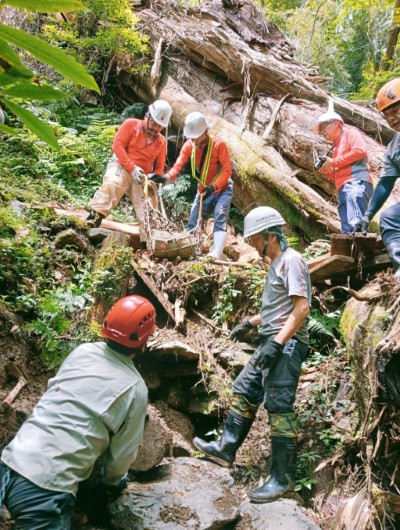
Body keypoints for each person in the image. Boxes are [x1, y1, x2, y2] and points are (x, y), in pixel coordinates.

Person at [0, 295, 156, 529]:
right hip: (45, 487)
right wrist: (112, 483)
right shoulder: (136, 389)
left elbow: (53, 393)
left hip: (10, 461)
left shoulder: (82, 352)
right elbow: (121, 456)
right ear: (144, 340)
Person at [193, 206, 311, 503]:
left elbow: (301, 308)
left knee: (278, 405)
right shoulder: (276, 263)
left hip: (289, 342)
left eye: (256, 239)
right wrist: (251, 323)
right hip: (273, 339)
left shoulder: (292, 261)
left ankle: (280, 478)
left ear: (271, 236)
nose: (253, 245)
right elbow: (278, 308)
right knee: (244, 388)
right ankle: (226, 449)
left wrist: (277, 344)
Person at [87, 100, 172, 247]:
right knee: (114, 184)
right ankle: (93, 219)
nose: (156, 128)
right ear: (147, 116)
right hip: (121, 165)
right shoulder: (131, 125)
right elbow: (117, 146)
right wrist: (132, 168)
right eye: (154, 123)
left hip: (142, 176)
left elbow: (159, 167)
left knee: (149, 204)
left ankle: (148, 243)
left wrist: (152, 180)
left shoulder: (162, 142)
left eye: (160, 126)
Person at [149, 111, 233, 259]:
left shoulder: (219, 145)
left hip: (223, 188)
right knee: (194, 221)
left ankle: (216, 253)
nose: (193, 140)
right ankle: (192, 252)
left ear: (205, 132)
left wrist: (213, 187)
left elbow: (227, 171)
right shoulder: (189, 146)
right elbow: (177, 167)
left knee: (220, 214)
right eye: (191, 137)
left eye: (196, 136)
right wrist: (163, 178)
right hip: (203, 190)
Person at [355, 78, 400, 277]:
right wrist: (367, 215)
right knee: (390, 217)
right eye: (388, 115)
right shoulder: (393, 148)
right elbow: (385, 183)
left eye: (396, 110)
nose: (393, 118)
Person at [314, 101, 373, 234]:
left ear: (336, 123)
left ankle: (361, 250)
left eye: (324, 126)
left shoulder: (350, 133)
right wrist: (328, 170)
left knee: (355, 224)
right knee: (347, 228)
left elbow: (360, 151)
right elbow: (338, 171)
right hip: (344, 188)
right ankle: (350, 251)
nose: (322, 131)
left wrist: (334, 162)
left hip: (355, 182)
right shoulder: (336, 146)